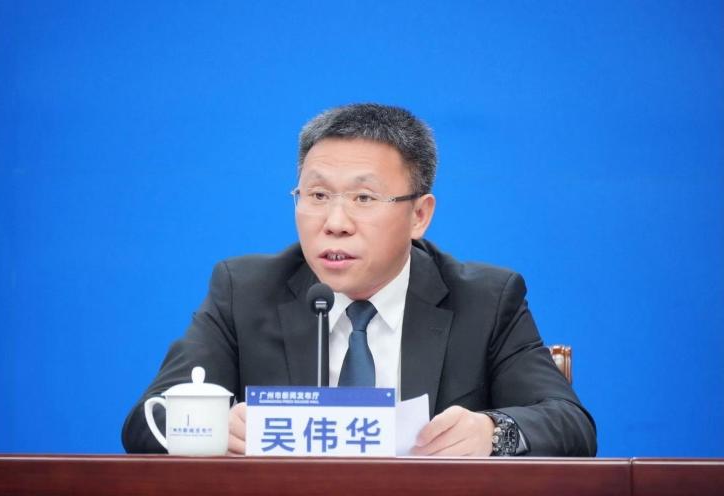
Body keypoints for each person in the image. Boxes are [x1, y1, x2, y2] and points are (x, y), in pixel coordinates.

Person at [122, 103, 597, 456]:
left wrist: (492, 433)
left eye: (364, 199)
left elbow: (570, 425)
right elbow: (145, 422)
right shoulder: (244, 290)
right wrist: (212, 428)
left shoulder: (485, 299)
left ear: (419, 215)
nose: (335, 222)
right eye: (317, 195)